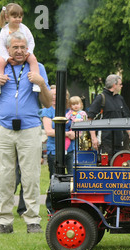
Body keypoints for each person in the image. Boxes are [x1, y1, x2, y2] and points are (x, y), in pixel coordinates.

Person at [0, 31, 52, 234]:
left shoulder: (37, 68)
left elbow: (48, 102)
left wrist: (41, 83)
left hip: (30, 128)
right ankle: (3, 222)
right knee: (4, 176)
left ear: (27, 48)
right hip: (2, 128)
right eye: (16, 47)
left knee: (31, 175)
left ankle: (33, 221)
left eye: (23, 47)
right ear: (8, 48)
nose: (20, 51)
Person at [0, 3, 40, 95]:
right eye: (15, 17)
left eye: (20, 17)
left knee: (33, 59)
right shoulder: (4, 31)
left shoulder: (24, 28)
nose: (18, 19)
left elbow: (31, 41)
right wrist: (7, 57)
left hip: (24, 53)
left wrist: (29, 52)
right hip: (7, 54)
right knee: (0, 62)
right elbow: (2, 46)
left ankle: (36, 82)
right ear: (7, 17)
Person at [41, 85, 74, 214]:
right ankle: (51, 207)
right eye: (52, 95)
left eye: (57, 95)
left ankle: (70, 205)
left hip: (70, 149)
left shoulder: (69, 111)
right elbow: (49, 131)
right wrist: (67, 134)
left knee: (72, 178)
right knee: (55, 179)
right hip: (54, 150)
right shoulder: (48, 111)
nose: (54, 98)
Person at [88, 74, 130, 158]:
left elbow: (125, 118)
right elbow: (90, 118)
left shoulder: (120, 98)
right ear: (114, 85)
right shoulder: (101, 98)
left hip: (120, 140)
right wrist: (93, 137)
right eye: (120, 84)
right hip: (105, 141)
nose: (122, 86)